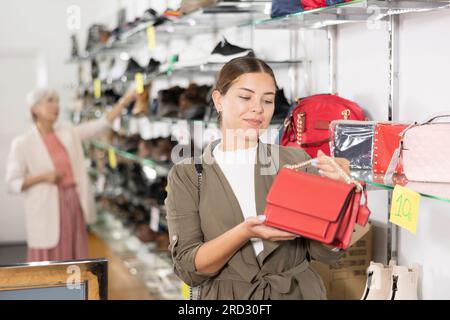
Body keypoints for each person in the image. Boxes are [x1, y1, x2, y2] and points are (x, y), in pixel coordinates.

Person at [165, 57, 351, 300]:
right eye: (245, 97)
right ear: (218, 100)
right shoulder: (188, 174)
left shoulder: (295, 160)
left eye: (268, 100)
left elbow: (325, 253)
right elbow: (190, 269)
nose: (258, 108)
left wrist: (338, 196)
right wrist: (244, 232)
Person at [5, 88, 137, 262]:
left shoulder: (67, 131)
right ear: (34, 108)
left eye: (57, 101)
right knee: (49, 261)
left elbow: (100, 125)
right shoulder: (22, 143)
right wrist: (44, 177)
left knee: (74, 257)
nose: (56, 105)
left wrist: (125, 100)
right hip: (46, 207)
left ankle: (74, 289)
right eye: (50, 100)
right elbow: (12, 183)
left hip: (72, 204)